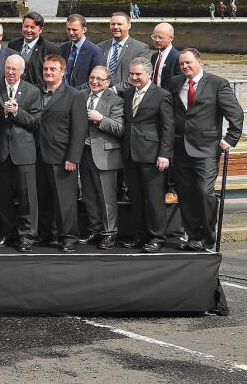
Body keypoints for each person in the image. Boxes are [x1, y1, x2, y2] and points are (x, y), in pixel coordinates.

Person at [170, 48, 244, 250]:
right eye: (182, 64)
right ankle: (193, 236)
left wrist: (230, 138)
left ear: (199, 61)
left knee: (205, 193)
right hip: (180, 148)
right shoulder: (176, 83)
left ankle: (209, 237)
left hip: (206, 150)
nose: (185, 66)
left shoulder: (217, 83)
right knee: (186, 194)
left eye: (188, 63)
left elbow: (236, 114)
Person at [0, 55, 41, 253]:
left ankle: (27, 235)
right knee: (2, 195)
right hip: (0, 150)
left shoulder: (32, 91)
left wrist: (18, 112)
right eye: (8, 68)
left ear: (22, 71)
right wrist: (4, 112)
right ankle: (6, 232)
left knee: (27, 196)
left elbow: (37, 122)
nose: (10, 72)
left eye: (14, 69)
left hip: (24, 151)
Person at [121, 58, 174, 252]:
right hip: (129, 154)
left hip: (152, 156)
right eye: (131, 74)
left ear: (149, 74)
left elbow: (168, 127)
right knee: (135, 198)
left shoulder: (162, 95)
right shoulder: (127, 93)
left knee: (153, 200)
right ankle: (140, 235)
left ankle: (157, 237)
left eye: (138, 74)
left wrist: (164, 154)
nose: (134, 78)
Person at [38, 54, 87, 252]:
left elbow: (79, 129)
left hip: (62, 156)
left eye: (53, 69)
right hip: (38, 154)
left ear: (62, 71)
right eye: (46, 69)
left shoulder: (74, 95)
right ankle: (49, 234)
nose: (48, 73)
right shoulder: (37, 92)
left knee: (65, 200)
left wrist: (73, 157)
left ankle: (69, 237)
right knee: (45, 198)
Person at [78, 66, 124, 249]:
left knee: (106, 197)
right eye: (92, 78)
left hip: (105, 154)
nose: (95, 82)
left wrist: (100, 119)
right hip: (83, 153)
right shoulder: (80, 96)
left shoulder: (116, 101)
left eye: (99, 79)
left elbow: (120, 129)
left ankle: (109, 233)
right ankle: (95, 229)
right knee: (89, 195)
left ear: (107, 82)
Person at [99, 12, 150, 95]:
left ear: (129, 25)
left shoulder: (141, 48)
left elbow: (140, 76)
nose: (115, 27)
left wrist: (114, 90)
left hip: (126, 97)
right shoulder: (100, 47)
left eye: (119, 24)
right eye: (113, 24)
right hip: (101, 96)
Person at [11, 12, 59, 90]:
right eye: (26, 26)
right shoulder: (13, 44)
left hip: (38, 94)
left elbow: (56, 75)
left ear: (40, 30)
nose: (28, 30)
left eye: (32, 27)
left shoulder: (51, 49)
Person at [59, 14, 103, 88]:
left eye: (74, 30)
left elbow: (97, 79)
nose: (71, 33)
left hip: (82, 95)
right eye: (68, 29)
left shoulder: (95, 51)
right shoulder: (62, 48)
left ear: (84, 30)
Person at [149, 22, 181, 87]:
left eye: (161, 37)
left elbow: (179, 83)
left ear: (171, 38)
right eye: (154, 37)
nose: (157, 40)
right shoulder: (154, 56)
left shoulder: (178, 57)